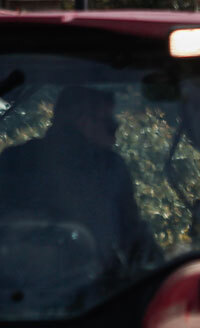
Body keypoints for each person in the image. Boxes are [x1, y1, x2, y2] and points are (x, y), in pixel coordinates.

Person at [0, 86, 157, 267]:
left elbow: (134, 235)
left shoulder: (14, 159)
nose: (114, 135)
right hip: (79, 287)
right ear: (82, 120)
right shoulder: (109, 168)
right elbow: (133, 235)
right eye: (110, 125)